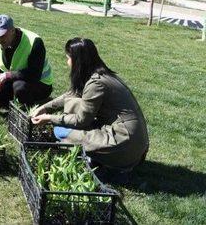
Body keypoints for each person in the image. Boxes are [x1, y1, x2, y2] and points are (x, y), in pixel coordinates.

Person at [31, 38, 149, 178]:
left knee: (60, 130)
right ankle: (99, 158)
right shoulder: (100, 75)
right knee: (74, 103)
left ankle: (104, 163)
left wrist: (50, 118)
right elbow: (71, 95)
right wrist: (45, 108)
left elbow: (81, 121)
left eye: (68, 58)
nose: (67, 62)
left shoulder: (96, 84)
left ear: (78, 61)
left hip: (123, 143)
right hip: (133, 143)